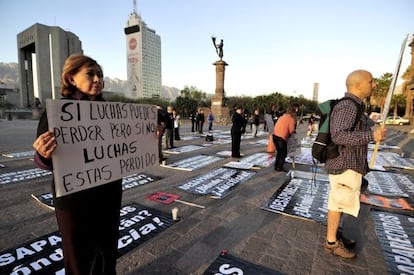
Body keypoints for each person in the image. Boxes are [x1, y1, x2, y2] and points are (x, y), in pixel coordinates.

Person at [32, 54, 122, 274]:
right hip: (73, 200)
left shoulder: (115, 113)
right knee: (78, 258)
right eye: (90, 73)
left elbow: (128, 146)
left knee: (108, 251)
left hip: (108, 194)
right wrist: (43, 153)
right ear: (71, 79)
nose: (97, 79)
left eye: (100, 74)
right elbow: (43, 161)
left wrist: (149, 136)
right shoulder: (57, 113)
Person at [324, 69, 386, 259]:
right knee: (337, 202)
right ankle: (331, 242)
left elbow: (359, 126)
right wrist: (371, 136)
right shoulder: (348, 106)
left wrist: (372, 127)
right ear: (358, 85)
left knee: (341, 202)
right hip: (344, 163)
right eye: (371, 81)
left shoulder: (356, 106)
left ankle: (336, 235)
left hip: (350, 163)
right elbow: (339, 134)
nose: (374, 85)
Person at [272, 103, 299, 171]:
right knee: (283, 153)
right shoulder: (291, 119)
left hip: (275, 136)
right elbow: (292, 130)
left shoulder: (282, 116)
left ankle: (276, 165)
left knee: (279, 152)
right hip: (282, 137)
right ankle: (279, 167)